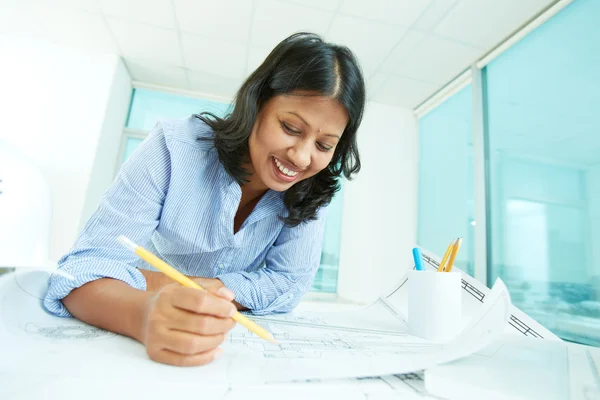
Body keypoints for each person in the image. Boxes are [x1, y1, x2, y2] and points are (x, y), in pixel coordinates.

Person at [43, 32, 366, 367]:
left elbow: (288, 285)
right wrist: (143, 314)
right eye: (290, 127)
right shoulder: (173, 149)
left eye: (324, 145)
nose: (301, 157)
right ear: (257, 105)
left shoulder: (313, 190)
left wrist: (170, 283)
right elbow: (78, 272)